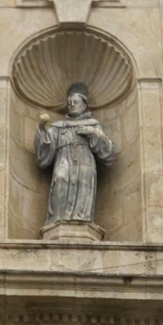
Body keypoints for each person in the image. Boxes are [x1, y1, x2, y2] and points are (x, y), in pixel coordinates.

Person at [35, 82, 115, 227]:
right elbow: (46, 147)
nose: (72, 105)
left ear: (84, 105)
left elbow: (108, 151)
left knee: (83, 185)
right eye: (70, 102)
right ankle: (58, 220)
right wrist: (41, 128)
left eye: (75, 102)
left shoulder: (93, 124)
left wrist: (93, 133)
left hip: (85, 161)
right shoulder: (58, 126)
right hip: (63, 159)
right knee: (60, 178)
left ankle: (82, 220)